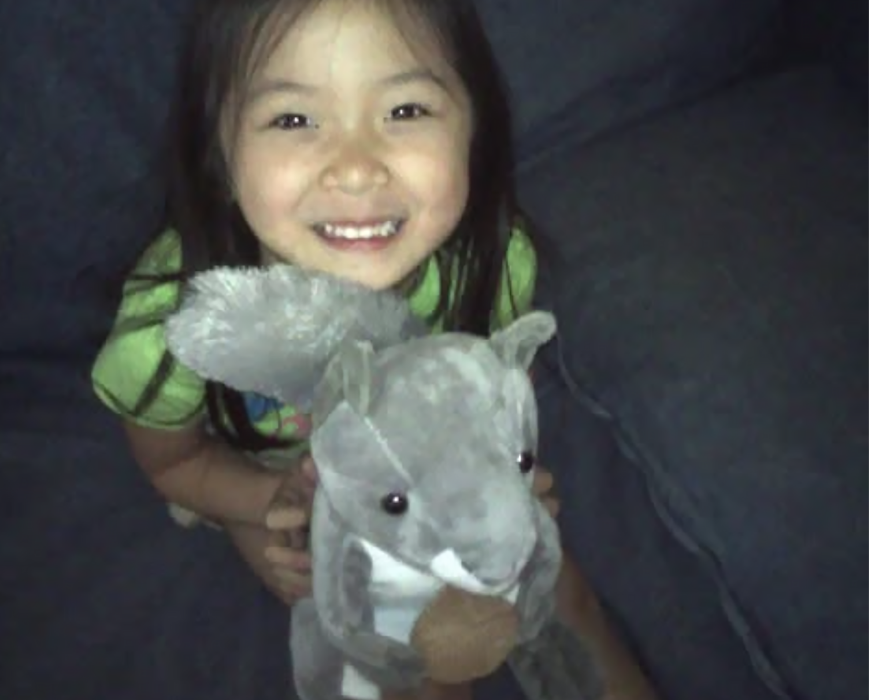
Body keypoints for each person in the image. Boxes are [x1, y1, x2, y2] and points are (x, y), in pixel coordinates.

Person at [90, 0, 658, 698]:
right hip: (278, 482)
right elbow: (175, 463)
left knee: (566, 606)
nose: (356, 169)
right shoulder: (174, 332)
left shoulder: (490, 265)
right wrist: (273, 505)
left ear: (473, 128)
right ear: (220, 152)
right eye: (293, 120)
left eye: (406, 110)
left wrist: (502, 474)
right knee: (407, 664)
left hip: (433, 464)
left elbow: (498, 393)